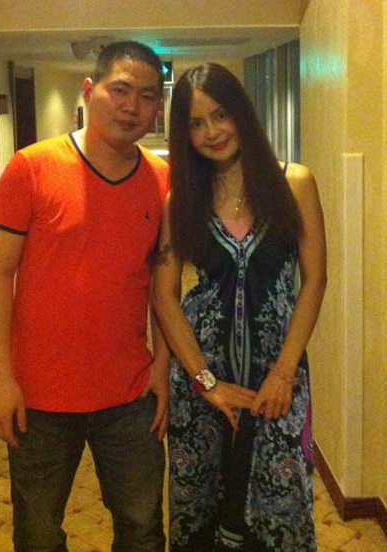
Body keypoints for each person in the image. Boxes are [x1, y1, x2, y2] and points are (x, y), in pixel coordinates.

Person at [0, 41, 170, 552]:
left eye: (147, 96)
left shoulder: (162, 180)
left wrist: (163, 363)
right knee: (38, 535)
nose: (132, 107)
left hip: (130, 394)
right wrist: (0, 379)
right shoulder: (31, 167)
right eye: (120, 90)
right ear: (89, 90)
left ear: (158, 107)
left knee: (142, 529)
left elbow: (164, 286)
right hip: (38, 397)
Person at [153, 63, 327, 551]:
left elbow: (315, 280)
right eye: (196, 123)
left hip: (278, 382)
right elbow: (164, 294)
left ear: (242, 113)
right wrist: (205, 382)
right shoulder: (181, 201)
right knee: (200, 512)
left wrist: (284, 373)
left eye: (221, 115)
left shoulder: (294, 182)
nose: (212, 132)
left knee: (279, 510)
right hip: (202, 387)